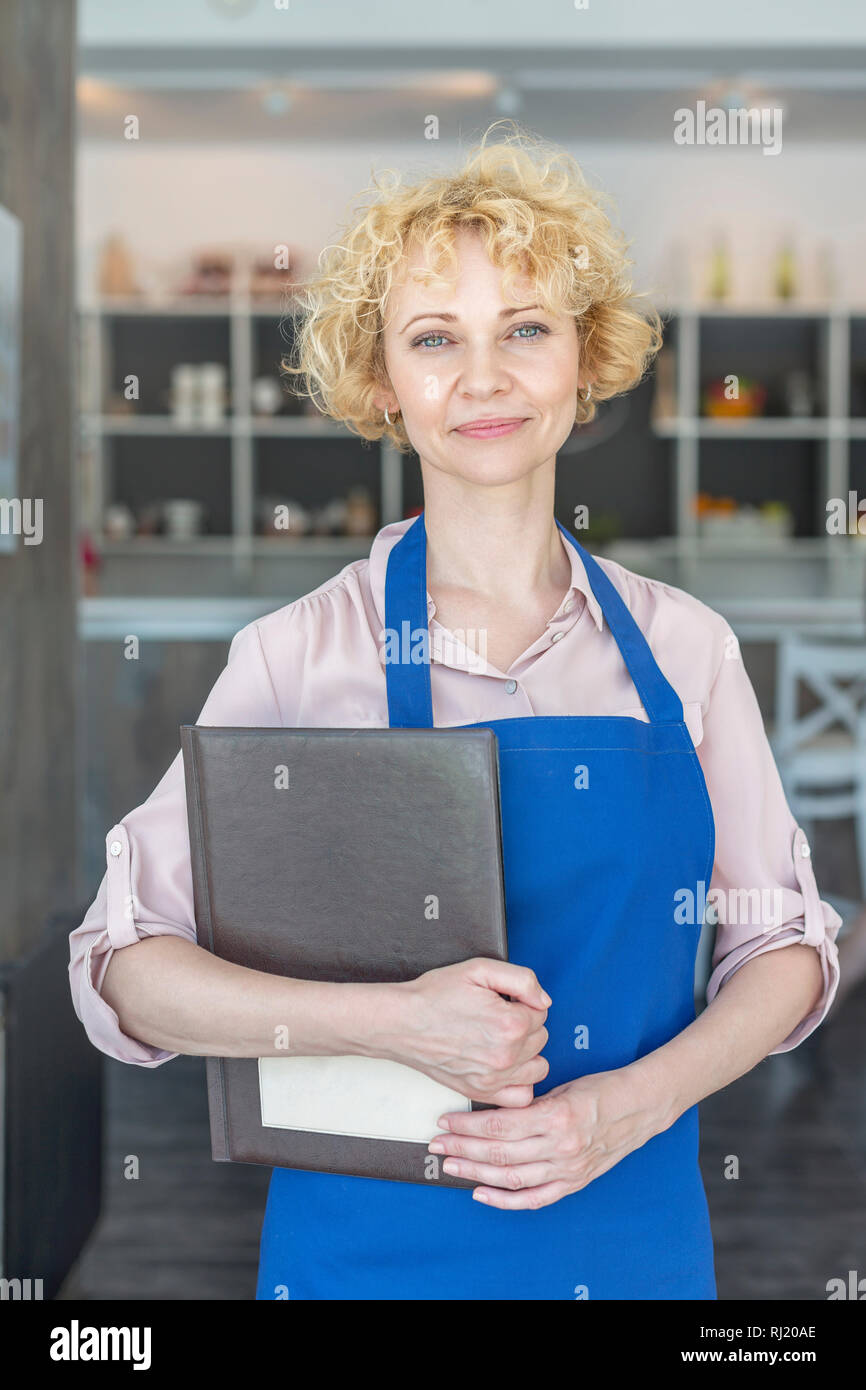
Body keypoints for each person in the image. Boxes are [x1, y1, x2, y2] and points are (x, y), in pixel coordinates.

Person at [69, 127, 841, 1300]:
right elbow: (121, 967)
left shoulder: (684, 649)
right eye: (435, 339)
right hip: (362, 1259)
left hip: (628, 1237)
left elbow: (782, 947)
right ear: (382, 383)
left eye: (523, 329)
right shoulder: (295, 658)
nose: (482, 378)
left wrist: (626, 1107)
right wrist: (391, 1022)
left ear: (582, 362)